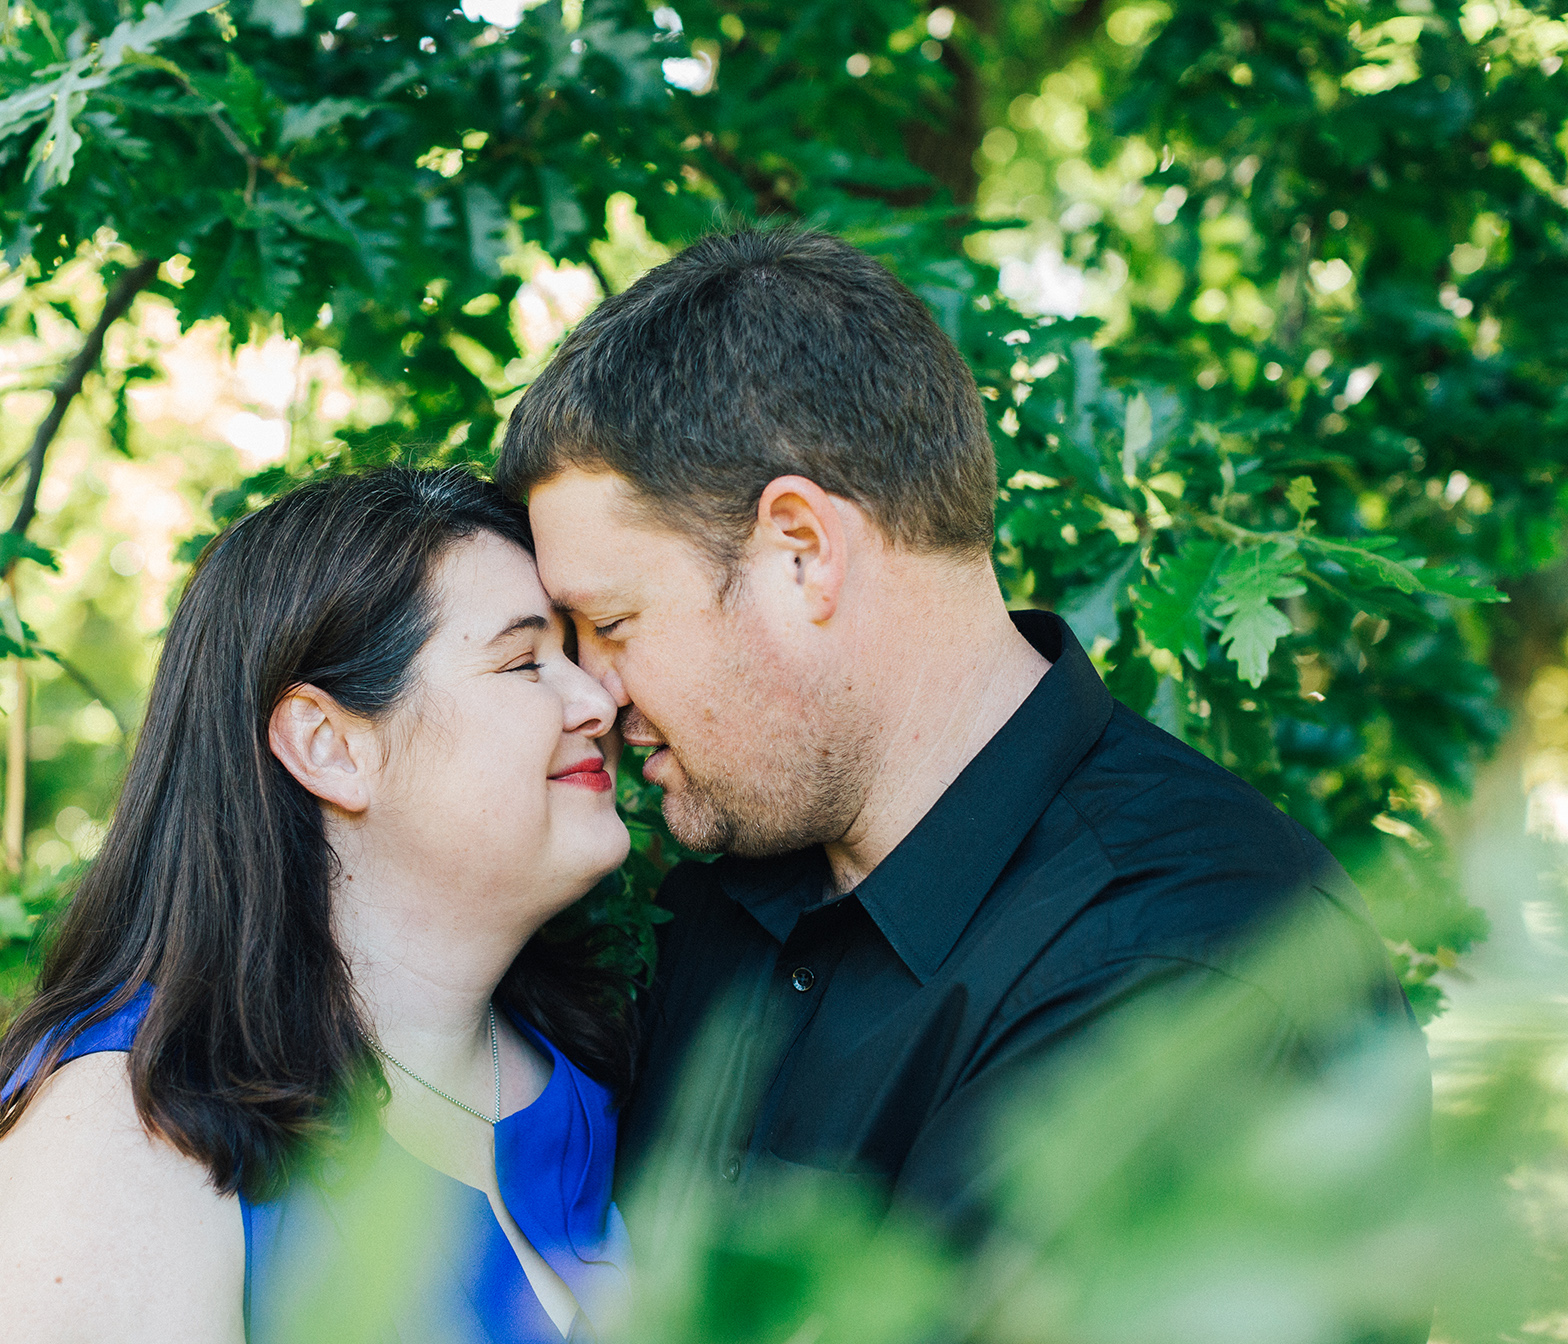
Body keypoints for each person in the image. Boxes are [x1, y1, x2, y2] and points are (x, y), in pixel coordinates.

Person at [493, 229, 1426, 1244]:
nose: (593, 692)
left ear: (802, 552)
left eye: (614, 624)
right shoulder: (719, 894)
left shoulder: (1192, 964)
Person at [0, 468, 636, 1344]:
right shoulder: (125, 1133)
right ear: (329, 746)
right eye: (525, 661)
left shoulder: (591, 1075)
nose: (599, 701)